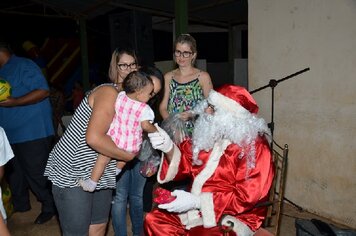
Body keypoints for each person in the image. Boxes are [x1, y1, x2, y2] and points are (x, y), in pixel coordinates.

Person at [44, 47, 162, 235]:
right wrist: (129, 155)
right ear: (114, 68)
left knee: (98, 227)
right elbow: (94, 138)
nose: (129, 69)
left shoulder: (131, 103)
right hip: (75, 169)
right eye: (123, 65)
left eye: (133, 65)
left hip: (101, 170)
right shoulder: (109, 92)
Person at [144, 84, 275, 236]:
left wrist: (198, 202)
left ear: (231, 115)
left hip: (234, 215)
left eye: (213, 108)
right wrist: (168, 148)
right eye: (208, 105)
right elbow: (187, 160)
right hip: (196, 207)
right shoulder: (211, 133)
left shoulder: (255, 147)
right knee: (154, 220)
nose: (206, 111)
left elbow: (246, 198)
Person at [0, 41, 56, 224]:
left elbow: (43, 91)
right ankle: (21, 204)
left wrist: (15, 101)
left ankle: (50, 206)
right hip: (8, 134)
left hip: (32, 131)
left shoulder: (23, 64)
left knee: (36, 173)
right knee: (14, 174)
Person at [79, 70, 158, 192]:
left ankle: (92, 182)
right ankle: (116, 171)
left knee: (103, 158)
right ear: (139, 93)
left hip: (115, 137)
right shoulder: (145, 109)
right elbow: (146, 126)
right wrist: (156, 130)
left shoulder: (121, 96)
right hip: (130, 144)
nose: (150, 96)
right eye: (149, 93)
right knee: (123, 159)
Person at [111, 66, 164, 236]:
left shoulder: (148, 106)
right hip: (121, 151)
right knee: (120, 197)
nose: (151, 96)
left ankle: (138, 232)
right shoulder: (123, 96)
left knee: (137, 196)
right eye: (150, 91)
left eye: (155, 93)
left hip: (142, 154)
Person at [159, 33, 213, 136]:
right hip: (174, 133)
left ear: (193, 55)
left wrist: (193, 115)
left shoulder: (203, 77)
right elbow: (163, 108)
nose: (181, 56)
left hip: (198, 133)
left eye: (186, 53)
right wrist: (174, 127)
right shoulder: (168, 77)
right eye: (178, 52)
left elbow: (212, 107)